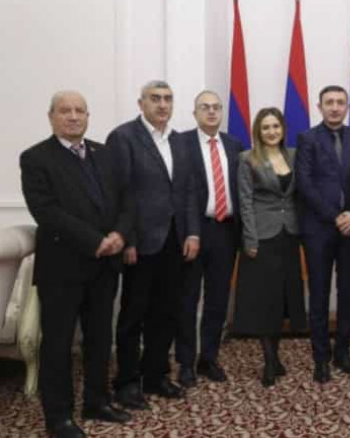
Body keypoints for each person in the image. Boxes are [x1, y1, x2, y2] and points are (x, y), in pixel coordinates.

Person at [20, 91, 132, 438]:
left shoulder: (104, 152)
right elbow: (47, 212)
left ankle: (97, 401)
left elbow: (126, 199)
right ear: (51, 116)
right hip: (62, 269)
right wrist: (95, 241)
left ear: (87, 116)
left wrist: (120, 233)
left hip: (104, 266)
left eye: (79, 111)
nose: (73, 116)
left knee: (99, 339)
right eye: (65, 111)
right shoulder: (35, 158)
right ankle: (59, 417)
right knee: (58, 344)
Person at [107, 80, 200, 408]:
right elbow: (120, 192)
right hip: (140, 242)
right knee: (134, 314)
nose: (162, 105)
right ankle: (127, 382)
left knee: (166, 312)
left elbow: (188, 190)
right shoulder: (123, 137)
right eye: (155, 99)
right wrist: (127, 239)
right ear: (141, 103)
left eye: (168, 99)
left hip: (174, 240)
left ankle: (156, 375)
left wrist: (192, 233)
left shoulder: (179, 140)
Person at [295, 86, 350, 383]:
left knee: (348, 293)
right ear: (320, 106)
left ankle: (343, 352)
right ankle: (321, 357)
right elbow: (304, 183)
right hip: (319, 229)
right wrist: (334, 216)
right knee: (319, 293)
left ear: (347, 107)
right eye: (329, 102)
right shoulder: (307, 138)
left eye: (340, 102)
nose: (335, 107)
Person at [233, 107, 306, 387]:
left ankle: (276, 355)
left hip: (289, 234)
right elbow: (245, 201)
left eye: (276, 126)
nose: (272, 131)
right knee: (265, 301)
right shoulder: (247, 159)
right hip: (262, 237)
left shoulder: (295, 155)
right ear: (258, 131)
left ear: (283, 129)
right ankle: (270, 360)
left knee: (282, 299)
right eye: (266, 127)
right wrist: (249, 239)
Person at [176, 90, 244, 387]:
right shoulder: (181, 143)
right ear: (195, 113)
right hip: (194, 231)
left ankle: (208, 358)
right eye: (205, 107)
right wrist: (189, 231)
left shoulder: (234, 145)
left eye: (216, 107)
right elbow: (181, 192)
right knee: (188, 299)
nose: (212, 112)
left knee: (218, 299)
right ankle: (185, 362)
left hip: (226, 231)